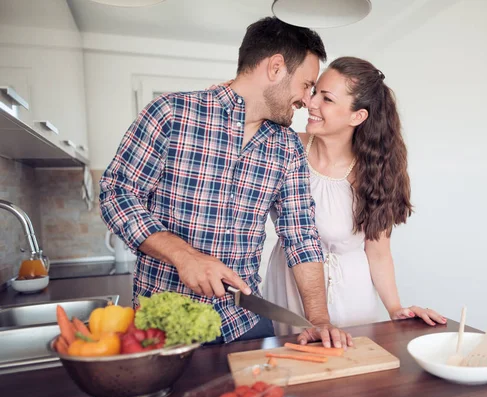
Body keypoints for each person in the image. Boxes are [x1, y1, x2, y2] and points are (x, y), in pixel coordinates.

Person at [99, 17, 351, 348]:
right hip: (163, 326)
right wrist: (184, 257)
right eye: (306, 85)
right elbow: (116, 193)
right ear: (275, 68)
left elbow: (301, 234)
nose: (307, 99)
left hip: (244, 322)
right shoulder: (171, 114)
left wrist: (318, 320)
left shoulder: (287, 146)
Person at [264, 57, 446, 336]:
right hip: (289, 292)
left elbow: (378, 252)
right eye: (315, 92)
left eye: (327, 99)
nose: (311, 103)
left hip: (353, 300)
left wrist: (395, 309)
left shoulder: (376, 171)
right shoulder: (286, 147)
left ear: (357, 116)